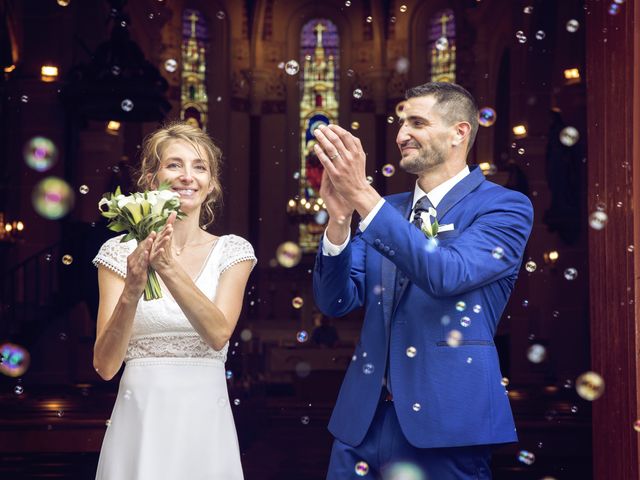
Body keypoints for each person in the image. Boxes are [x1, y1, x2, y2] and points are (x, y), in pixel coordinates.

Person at [312, 82, 533, 479]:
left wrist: (363, 195)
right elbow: (336, 302)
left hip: (446, 423)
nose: (401, 135)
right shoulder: (384, 210)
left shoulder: (505, 207)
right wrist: (341, 221)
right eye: (400, 122)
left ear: (459, 132)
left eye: (417, 122)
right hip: (360, 423)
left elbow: (446, 274)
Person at [92, 121, 256, 479]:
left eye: (200, 167)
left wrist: (164, 265)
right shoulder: (117, 253)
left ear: (211, 185)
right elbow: (105, 367)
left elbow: (217, 333)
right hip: (140, 418)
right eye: (174, 164)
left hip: (203, 421)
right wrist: (132, 290)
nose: (187, 176)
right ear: (152, 179)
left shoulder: (233, 251)